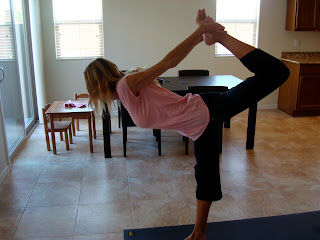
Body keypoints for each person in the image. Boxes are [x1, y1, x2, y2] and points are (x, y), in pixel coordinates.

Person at [84, 9, 290, 240]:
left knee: (276, 72)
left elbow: (168, 61)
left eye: (93, 89)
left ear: (100, 83)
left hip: (209, 109)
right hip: (200, 127)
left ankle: (220, 37)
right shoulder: (126, 93)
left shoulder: (126, 85)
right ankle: (199, 233)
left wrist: (199, 33)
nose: (95, 95)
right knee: (206, 177)